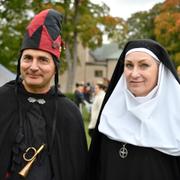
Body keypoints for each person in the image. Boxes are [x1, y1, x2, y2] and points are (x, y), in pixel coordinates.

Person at [0, 9, 88, 180]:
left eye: (43, 60)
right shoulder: (1, 100)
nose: (33, 66)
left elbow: (77, 169)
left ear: (55, 67)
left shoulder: (69, 113)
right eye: (28, 58)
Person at [88, 39, 180, 180]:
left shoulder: (176, 116)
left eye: (144, 65)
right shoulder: (110, 112)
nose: (134, 73)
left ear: (160, 70)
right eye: (129, 65)